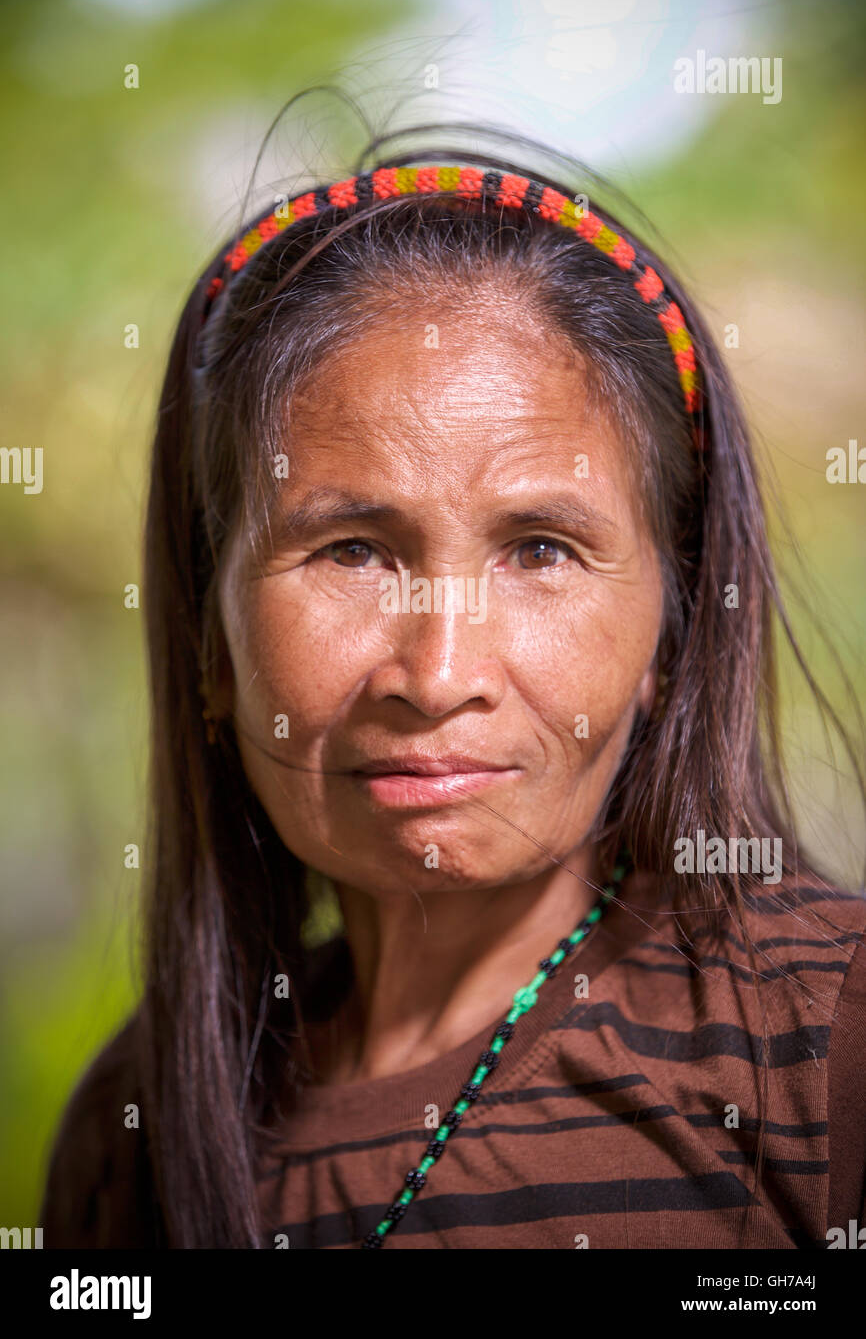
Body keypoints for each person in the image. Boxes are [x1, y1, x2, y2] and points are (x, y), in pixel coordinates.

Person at [39, 125, 866, 1250]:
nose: (437, 677)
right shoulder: (136, 1133)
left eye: (538, 550)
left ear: (671, 631)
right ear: (210, 647)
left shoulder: (825, 1045)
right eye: (349, 551)